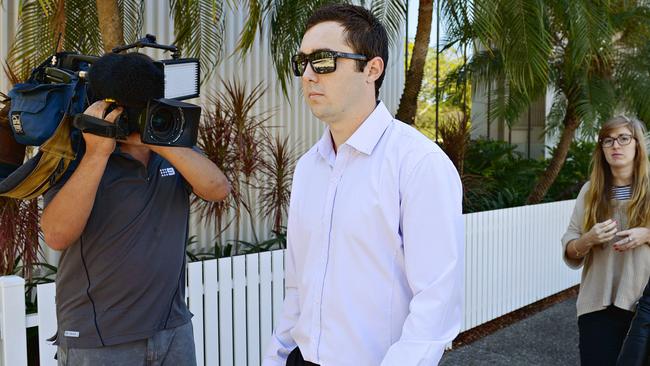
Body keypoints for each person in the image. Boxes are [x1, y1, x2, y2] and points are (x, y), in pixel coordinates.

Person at [263, 4, 464, 366]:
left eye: (323, 60)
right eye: (302, 62)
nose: (308, 74)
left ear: (372, 68)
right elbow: (298, 285)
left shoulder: (418, 164)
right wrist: (276, 357)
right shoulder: (309, 168)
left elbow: (436, 304)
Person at [40, 55, 230, 365]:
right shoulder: (75, 154)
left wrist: (157, 139)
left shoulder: (173, 147)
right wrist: (96, 156)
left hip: (172, 329)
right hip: (99, 339)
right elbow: (57, 235)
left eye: (148, 108)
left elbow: (218, 189)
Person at [562, 116, 650, 365]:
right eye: (608, 140)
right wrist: (588, 239)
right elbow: (571, 246)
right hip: (597, 307)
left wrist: (647, 234)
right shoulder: (590, 192)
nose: (615, 146)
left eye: (624, 138)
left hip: (643, 306)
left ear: (637, 145)